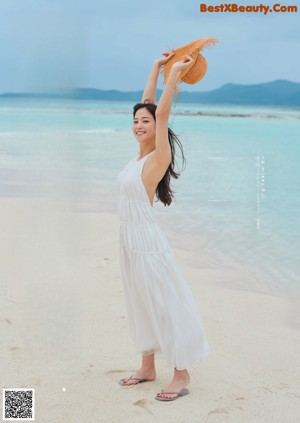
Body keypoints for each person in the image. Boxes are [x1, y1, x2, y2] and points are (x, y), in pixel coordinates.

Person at [117, 51, 210, 402]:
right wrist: (155, 68)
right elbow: (148, 102)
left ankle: (182, 374)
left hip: (147, 244)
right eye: (136, 121)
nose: (140, 124)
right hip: (127, 240)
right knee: (138, 301)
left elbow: (162, 110)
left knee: (165, 303)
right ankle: (147, 366)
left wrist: (174, 78)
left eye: (146, 121)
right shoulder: (137, 158)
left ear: (158, 130)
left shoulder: (159, 158)